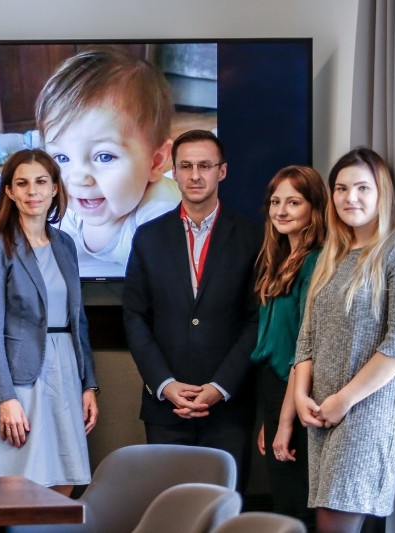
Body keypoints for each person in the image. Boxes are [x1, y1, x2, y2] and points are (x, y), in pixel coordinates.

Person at [122, 129, 261, 491]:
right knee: (169, 514)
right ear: (173, 171)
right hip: (166, 406)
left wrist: (219, 386)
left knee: (222, 513)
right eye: (185, 166)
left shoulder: (254, 237)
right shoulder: (148, 236)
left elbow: (256, 319)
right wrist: (164, 384)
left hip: (228, 405)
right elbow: (135, 317)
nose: (195, 175)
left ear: (222, 171)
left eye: (204, 165)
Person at [294, 148, 395, 533]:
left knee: (335, 520)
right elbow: (307, 337)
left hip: (371, 407)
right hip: (322, 408)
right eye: (341, 188)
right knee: (327, 517)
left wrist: (344, 400)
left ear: (382, 192)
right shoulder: (331, 256)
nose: (351, 197)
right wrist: (302, 395)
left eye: (363, 188)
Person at [0, 149, 99, 496]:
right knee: (10, 483)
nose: (33, 192)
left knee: (65, 478)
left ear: (55, 187)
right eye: (22, 183)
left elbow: (79, 321)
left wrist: (89, 385)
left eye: (41, 182)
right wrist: (5, 398)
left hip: (66, 373)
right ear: (10, 192)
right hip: (20, 379)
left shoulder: (65, 243)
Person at [36, 47, 181, 278]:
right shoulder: (69, 203)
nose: (78, 178)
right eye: (62, 158)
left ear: (156, 162)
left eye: (104, 156)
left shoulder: (161, 219)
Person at [250, 166, 327, 528]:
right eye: (275, 201)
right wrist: (272, 418)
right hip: (273, 390)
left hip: (297, 389)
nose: (281, 210)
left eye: (293, 202)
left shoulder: (315, 262)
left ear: (314, 208)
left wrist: (284, 421)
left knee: (296, 506)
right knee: (283, 501)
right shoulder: (278, 260)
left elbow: (304, 348)